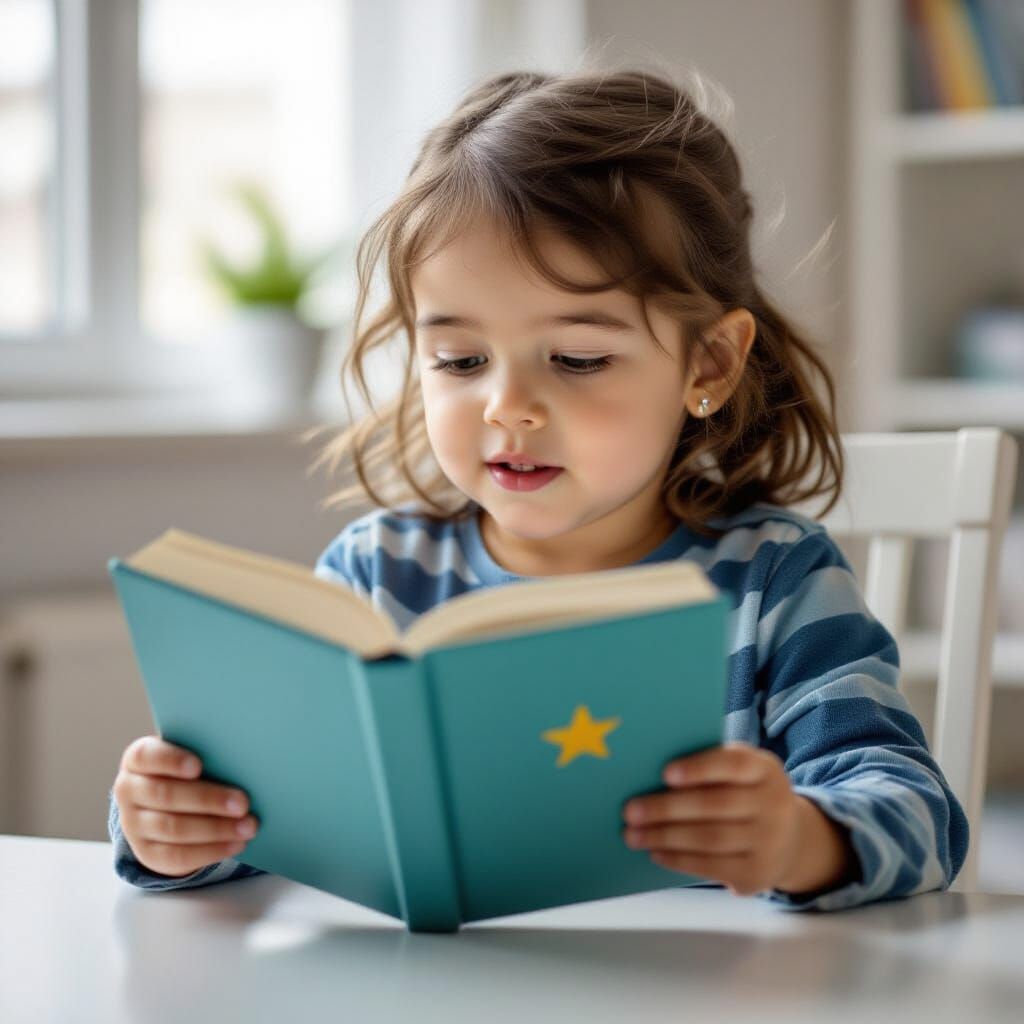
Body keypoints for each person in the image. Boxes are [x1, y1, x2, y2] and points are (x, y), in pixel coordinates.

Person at [109, 67, 967, 910]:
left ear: (708, 363)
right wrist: (171, 828)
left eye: (578, 359)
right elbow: (277, 820)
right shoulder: (379, 574)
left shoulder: (775, 580)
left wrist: (800, 839)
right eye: (460, 360)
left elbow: (920, 815)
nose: (508, 406)